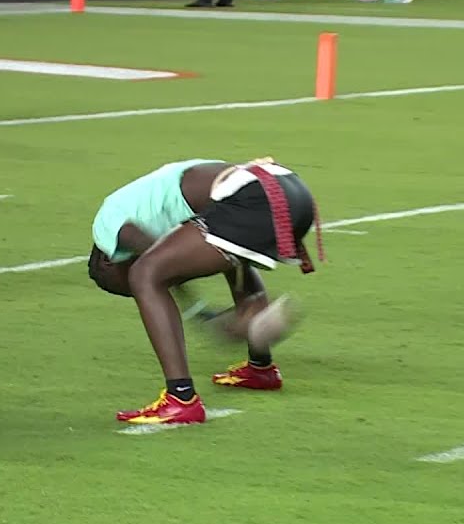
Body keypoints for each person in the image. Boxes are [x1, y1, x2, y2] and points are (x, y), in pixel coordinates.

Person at [87, 158, 323, 425]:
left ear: (107, 261)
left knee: (144, 274)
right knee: (228, 252)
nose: (135, 296)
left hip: (255, 197)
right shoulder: (154, 194)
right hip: (290, 190)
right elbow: (223, 253)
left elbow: (154, 254)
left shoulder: (107, 224)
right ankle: (260, 367)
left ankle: (181, 398)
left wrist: (199, 311)